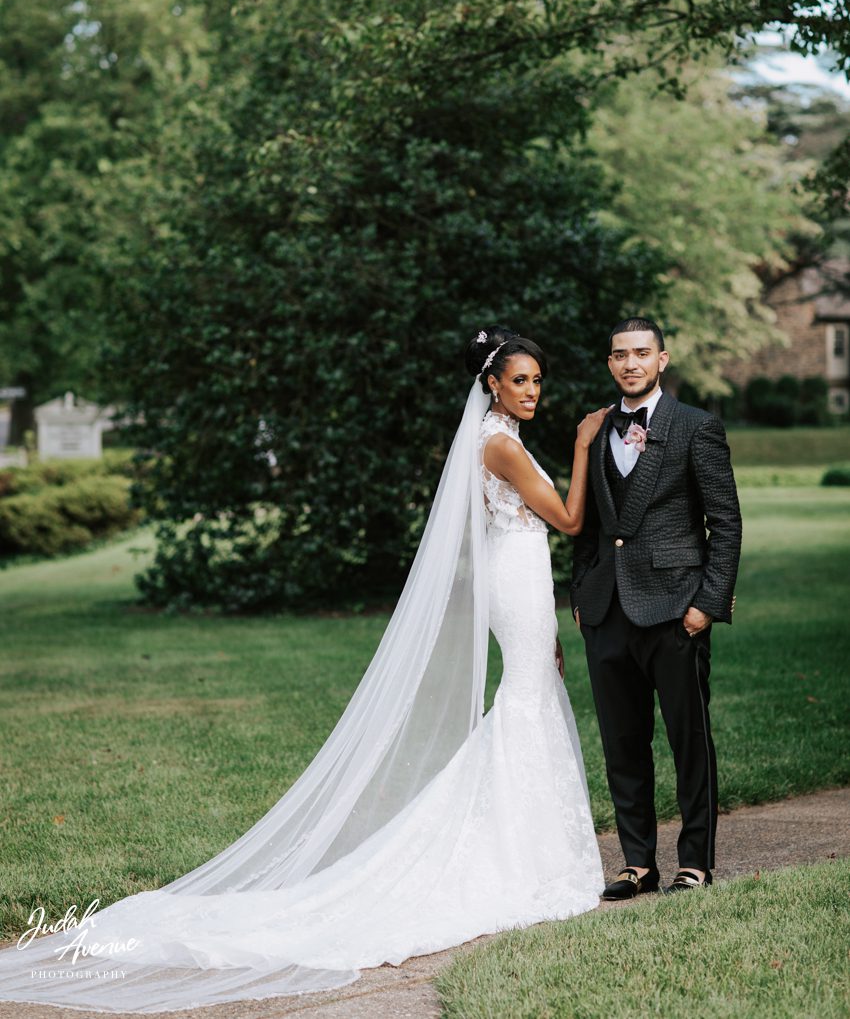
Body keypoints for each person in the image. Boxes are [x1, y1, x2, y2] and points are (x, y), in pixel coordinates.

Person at [0, 326, 609, 1014]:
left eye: (537, 380)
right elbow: (566, 516)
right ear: (492, 384)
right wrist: (586, 443)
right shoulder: (497, 443)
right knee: (526, 697)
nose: (532, 391)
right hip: (517, 578)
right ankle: (524, 856)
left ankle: (526, 846)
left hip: (522, 585)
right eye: (520, 380)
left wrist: (548, 620)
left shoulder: (495, 438)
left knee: (529, 691)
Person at [569, 317, 742, 899]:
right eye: (619, 355)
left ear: (662, 360)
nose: (630, 364)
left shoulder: (696, 427)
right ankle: (637, 862)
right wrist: (580, 591)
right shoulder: (595, 429)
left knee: (689, 739)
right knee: (622, 742)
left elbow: (726, 521)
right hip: (607, 611)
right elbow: (586, 524)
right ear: (610, 362)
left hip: (675, 609)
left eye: (642, 353)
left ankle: (695, 861)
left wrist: (707, 604)